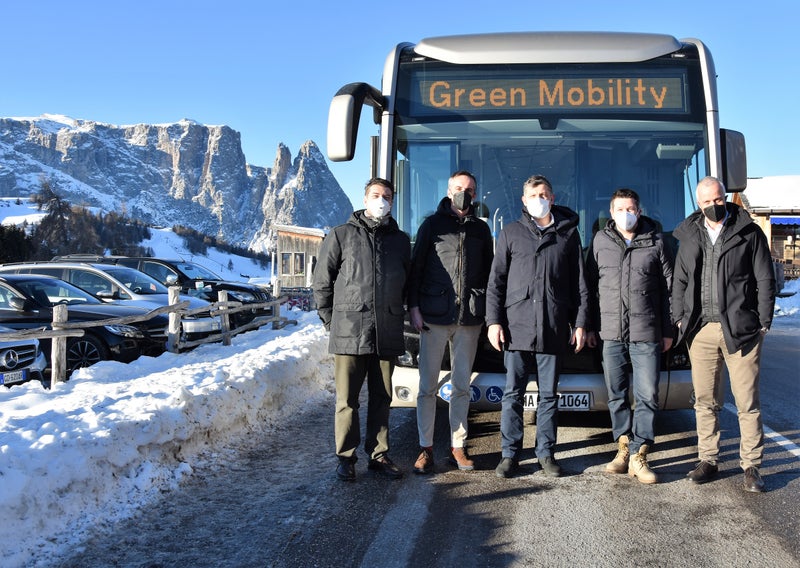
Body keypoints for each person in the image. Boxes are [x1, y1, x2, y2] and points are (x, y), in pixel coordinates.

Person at [672, 176, 775, 493]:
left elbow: (765, 278)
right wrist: (679, 319)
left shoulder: (749, 232)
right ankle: (708, 460)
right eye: (707, 202)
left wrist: (763, 321)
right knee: (705, 401)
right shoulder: (689, 235)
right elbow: (679, 281)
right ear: (698, 203)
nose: (713, 206)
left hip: (741, 330)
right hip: (700, 330)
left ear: (725, 197)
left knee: (747, 403)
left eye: (718, 199)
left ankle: (752, 466)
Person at [486, 174, 590, 478]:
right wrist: (493, 322)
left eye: (543, 195)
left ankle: (546, 453)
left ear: (552, 198)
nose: (539, 200)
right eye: (533, 196)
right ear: (524, 200)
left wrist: (580, 323)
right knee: (512, 395)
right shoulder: (511, 233)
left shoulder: (568, 235)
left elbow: (580, 285)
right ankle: (510, 455)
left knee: (549, 396)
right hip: (516, 328)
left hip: (553, 327)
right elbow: (496, 283)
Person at [312, 177, 411, 482]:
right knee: (347, 400)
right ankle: (346, 457)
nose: (381, 200)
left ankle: (378, 455)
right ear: (365, 199)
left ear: (392, 202)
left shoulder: (400, 240)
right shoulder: (341, 235)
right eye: (376, 195)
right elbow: (322, 282)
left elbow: (407, 283)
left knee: (382, 397)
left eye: (387, 196)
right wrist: (331, 322)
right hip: (348, 331)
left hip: (386, 330)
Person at [407, 170, 494, 474]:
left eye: (469, 189)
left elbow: (489, 273)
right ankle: (426, 447)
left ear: (475, 194)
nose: (463, 193)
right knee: (427, 387)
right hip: (433, 316)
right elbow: (416, 268)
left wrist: (487, 311)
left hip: (469, 318)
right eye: (458, 188)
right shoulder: (432, 225)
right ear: (448, 191)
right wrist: (414, 307)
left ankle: (458, 446)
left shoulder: (481, 230)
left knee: (461, 386)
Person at [585, 188, 674, 484]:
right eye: (620, 209)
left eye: (631, 209)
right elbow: (589, 288)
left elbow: (669, 290)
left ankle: (639, 454)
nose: (626, 214)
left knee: (648, 395)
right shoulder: (600, 241)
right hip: (610, 334)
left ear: (639, 211)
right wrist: (589, 326)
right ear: (611, 213)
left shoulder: (656, 241)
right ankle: (623, 448)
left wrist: (668, 331)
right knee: (616, 395)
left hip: (646, 333)